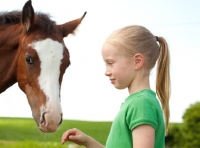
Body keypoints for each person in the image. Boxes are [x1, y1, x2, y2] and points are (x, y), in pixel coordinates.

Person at [61, 25, 171, 148]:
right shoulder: (138, 102)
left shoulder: (141, 103)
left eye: (110, 63)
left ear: (137, 61)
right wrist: (88, 142)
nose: (106, 71)